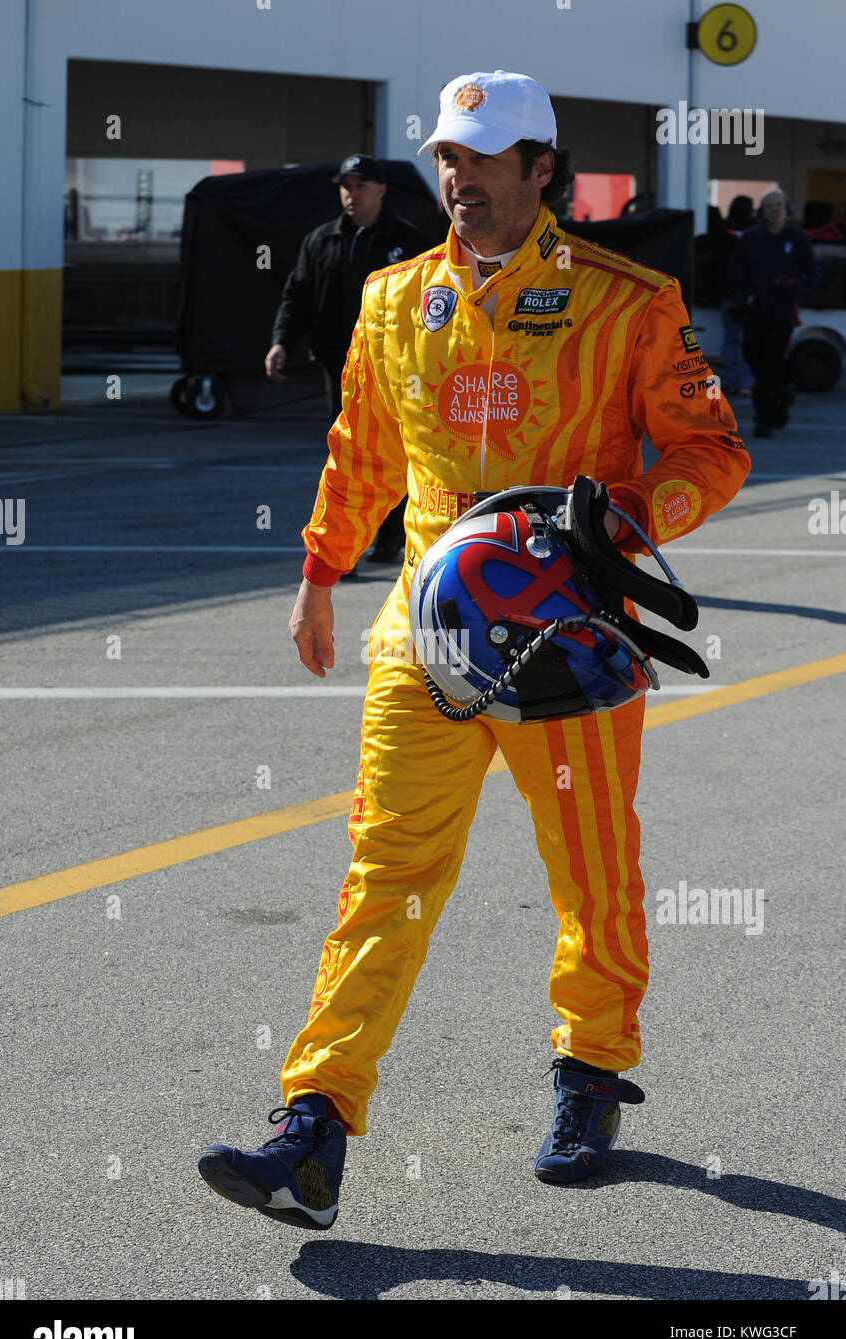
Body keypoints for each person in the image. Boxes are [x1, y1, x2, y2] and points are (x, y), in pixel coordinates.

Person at [200, 70, 750, 1230]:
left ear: (541, 169)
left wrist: (624, 524)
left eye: (485, 159)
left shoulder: (627, 301)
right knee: (383, 875)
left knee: (589, 871)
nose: (460, 179)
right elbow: (360, 447)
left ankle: (589, 1073)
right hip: (424, 624)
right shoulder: (396, 298)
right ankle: (312, 1125)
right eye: (447, 157)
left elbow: (710, 449)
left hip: (569, 634)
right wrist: (315, 573)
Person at [265, 154, 429, 564]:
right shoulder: (322, 240)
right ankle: (346, 544)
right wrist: (281, 341)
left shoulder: (407, 240)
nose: (351, 194)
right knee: (348, 454)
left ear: (380, 190)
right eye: (345, 186)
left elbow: (429, 302)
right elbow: (297, 295)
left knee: (393, 452)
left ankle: (392, 534)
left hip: (394, 367)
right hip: (337, 368)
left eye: (359, 186)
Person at [730, 188, 817, 437]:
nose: (774, 210)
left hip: (782, 312)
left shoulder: (798, 240)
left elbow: (813, 274)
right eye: (769, 206)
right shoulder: (750, 238)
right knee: (751, 355)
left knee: (771, 365)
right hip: (754, 308)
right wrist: (739, 295)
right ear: (762, 210)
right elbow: (736, 269)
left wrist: (796, 288)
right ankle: (782, 393)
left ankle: (765, 419)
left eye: (778, 205)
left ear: (786, 210)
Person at [716, 195, 755, 396]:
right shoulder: (755, 232)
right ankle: (745, 381)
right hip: (749, 294)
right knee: (747, 340)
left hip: (728, 293)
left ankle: (732, 380)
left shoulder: (723, 230)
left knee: (730, 339)